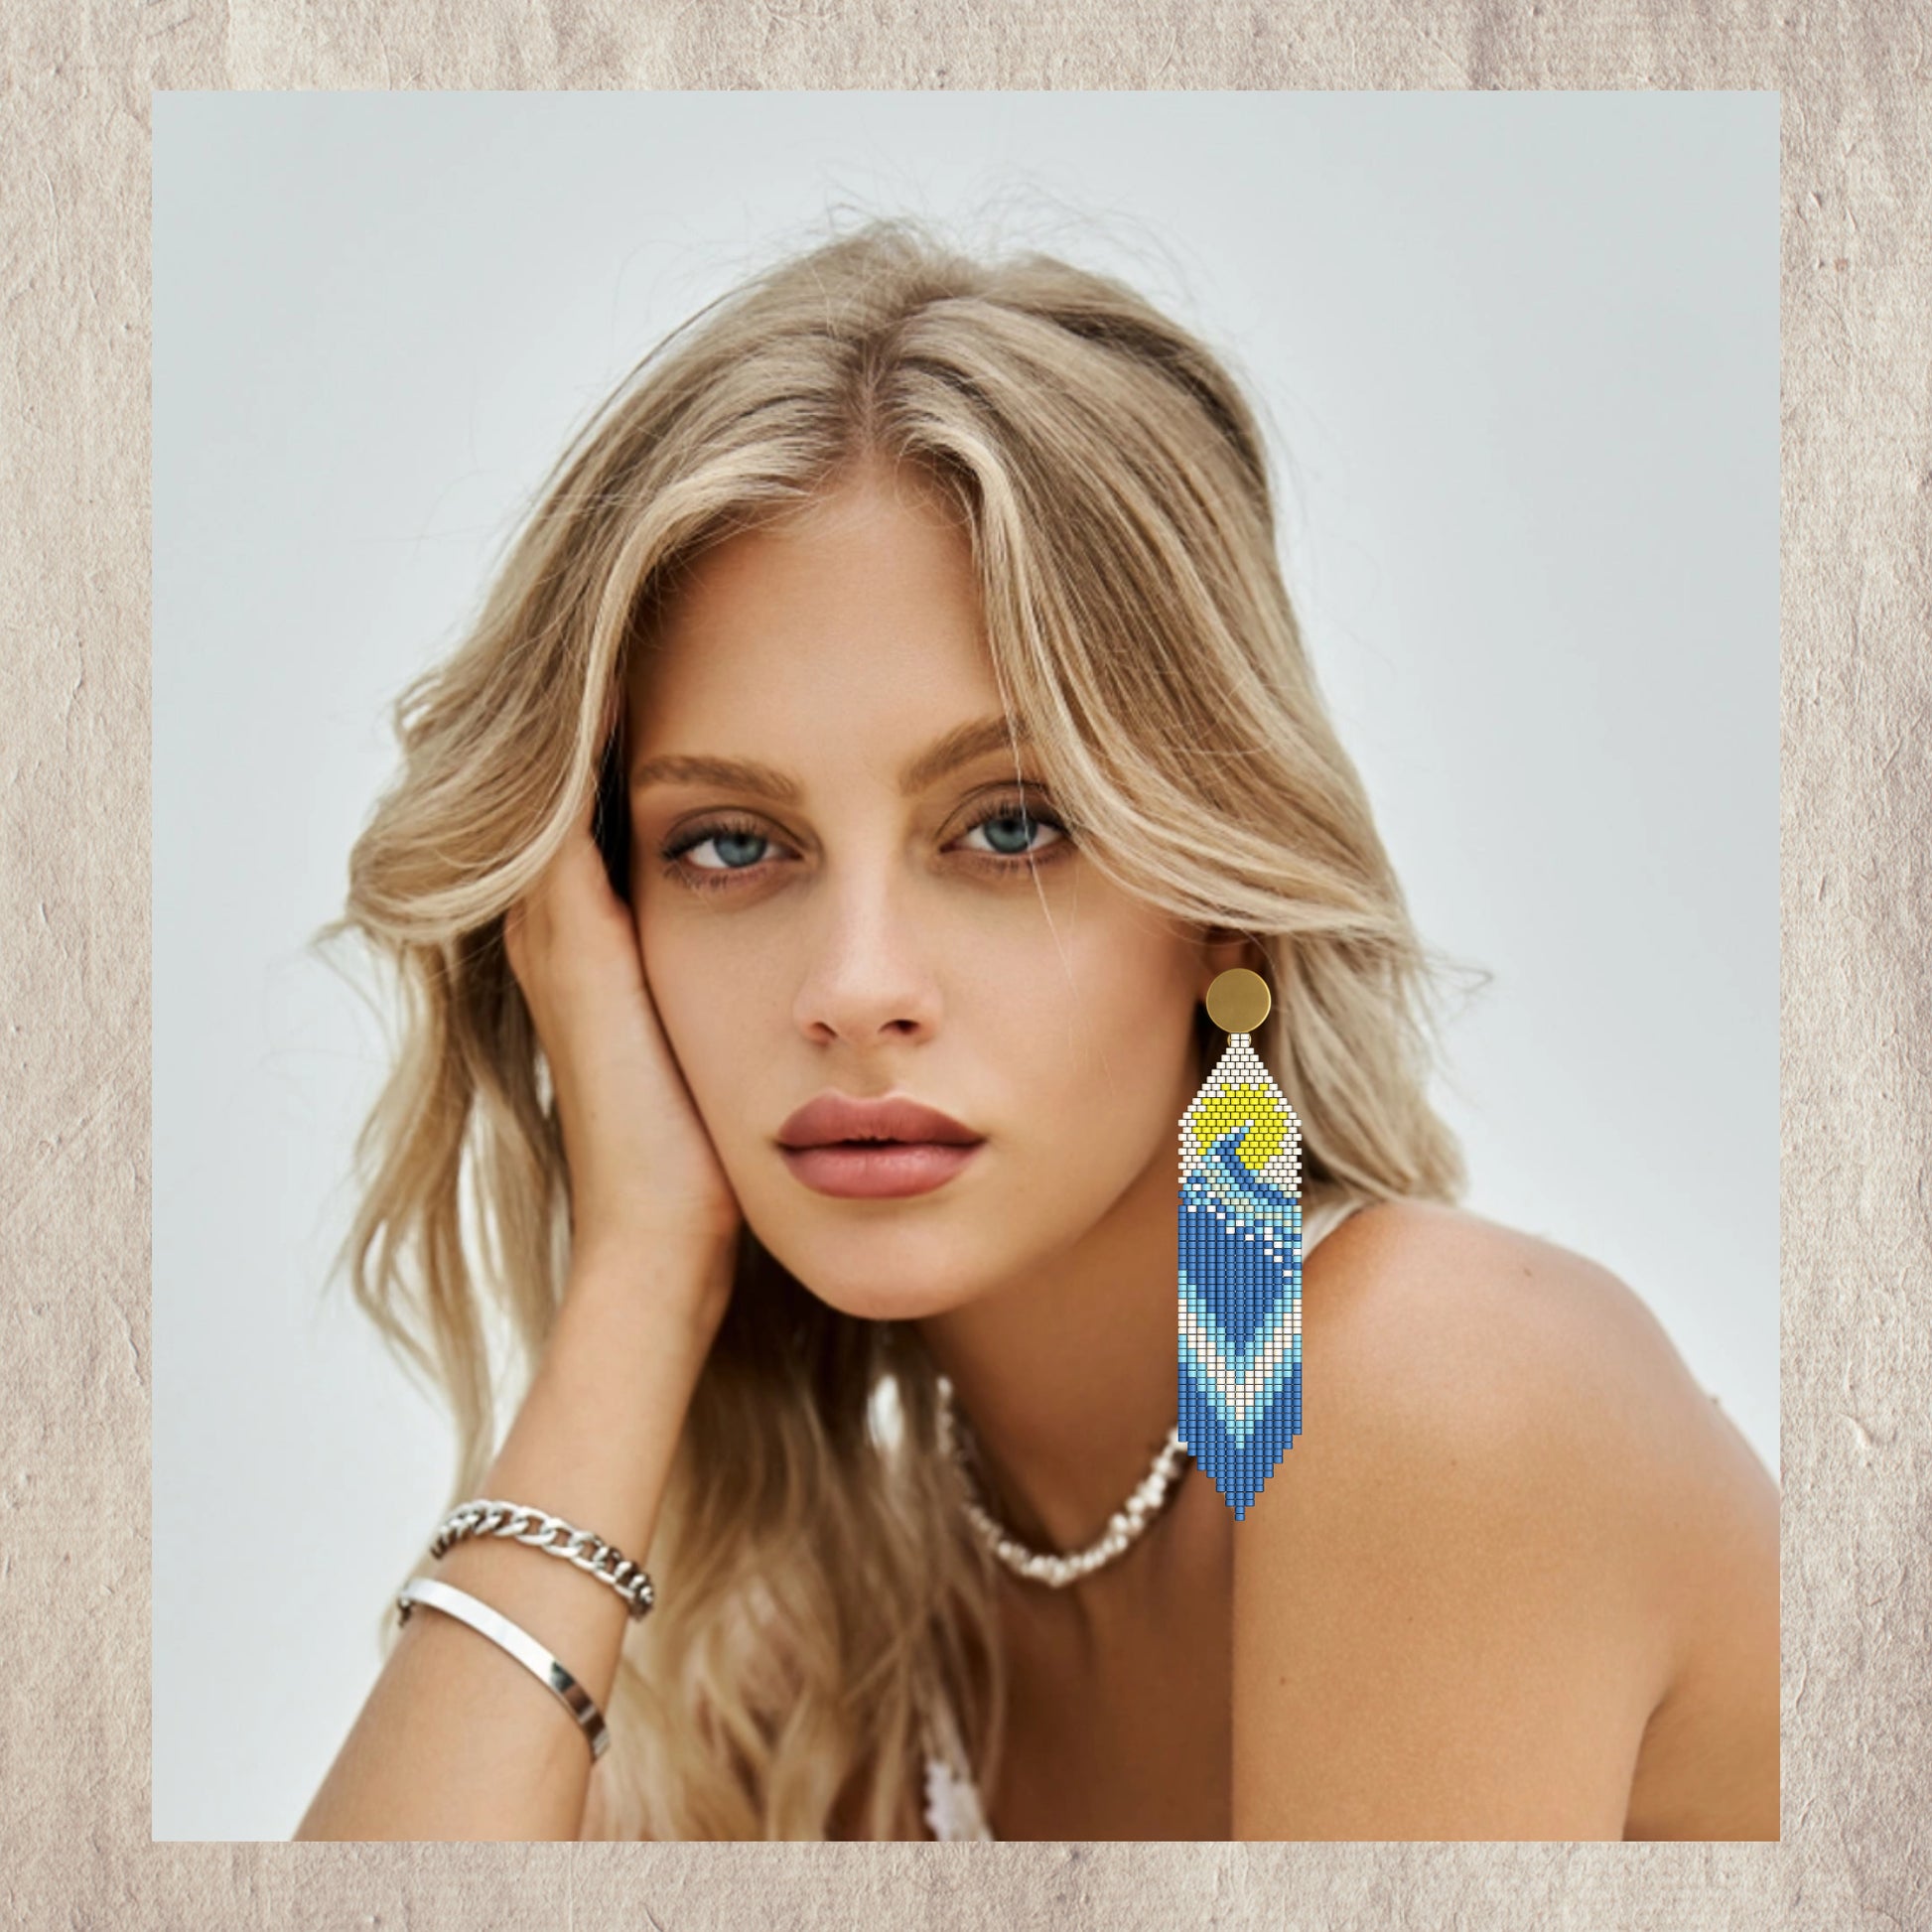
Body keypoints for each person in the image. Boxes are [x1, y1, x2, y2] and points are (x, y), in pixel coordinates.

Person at [293, 214, 1779, 1843]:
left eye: (1008, 827)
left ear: (1218, 892)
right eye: (730, 843)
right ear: (605, 919)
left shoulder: (1438, 1392)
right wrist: (642, 1271)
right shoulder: (833, 1668)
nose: (856, 986)